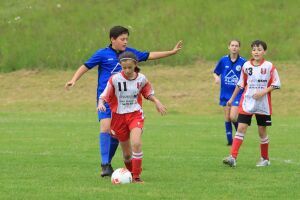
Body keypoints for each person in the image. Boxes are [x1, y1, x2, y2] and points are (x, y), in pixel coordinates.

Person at [65, 26, 182, 177]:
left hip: (125, 102)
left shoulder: (130, 55)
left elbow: (149, 55)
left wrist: (171, 52)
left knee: (116, 135)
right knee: (105, 128)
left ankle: (114, 162)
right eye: (122, 39)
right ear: (112, 39)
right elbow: (85, 66)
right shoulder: (102, 54)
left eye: (127, 39)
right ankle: (105, 165)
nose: (125, 42)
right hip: (106, 98)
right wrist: (73, 80)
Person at [98, 51, 166, 183]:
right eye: (124, 68)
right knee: (127, 155)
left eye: (130, 67)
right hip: (118, 118)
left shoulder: (141, 79)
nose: (127, 70)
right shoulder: (115, 79)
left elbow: (147, 93)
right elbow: (104, 95)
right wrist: (101, 103)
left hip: (135, 115)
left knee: (136, 143)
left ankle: (136, 177)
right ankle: (130, 173)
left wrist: (156, 101)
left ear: (135, 64)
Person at [223, 40, 281, 167]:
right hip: (247, 102)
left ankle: (265, 159)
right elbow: (240, 83)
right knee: (241, 128)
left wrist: (263, 92)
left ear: (264, 51)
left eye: (259, 50)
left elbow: (276, 84)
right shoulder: (246, 66)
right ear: (251, 51)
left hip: (263, 105)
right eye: (254, 49)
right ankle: (233, 157)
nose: (256, 52)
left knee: (262, 131)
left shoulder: (269, 66)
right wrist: (232, 99)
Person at [213, 40, 247, 145]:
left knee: (233, 117)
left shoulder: (243, 62)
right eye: (232, 45)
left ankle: (239, 134)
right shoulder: (223, 60)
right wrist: (216, 78)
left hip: (237, 94)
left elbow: (248, 76)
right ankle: (230, 141)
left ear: (239, 48)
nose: (234, 47)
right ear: (228, 47)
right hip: (225, 93)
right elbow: (215, 72)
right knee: (227, 117)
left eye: (236, 46)